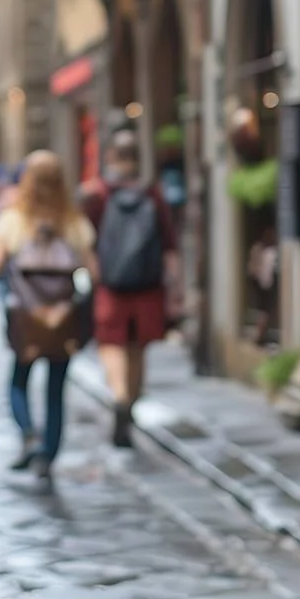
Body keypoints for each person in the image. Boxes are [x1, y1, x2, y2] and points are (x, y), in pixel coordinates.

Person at [0, 150, 99, 479]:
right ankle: (48, 455)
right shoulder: (73, 222)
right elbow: (94, 270)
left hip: (26, 318)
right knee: (56, 387)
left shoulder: (13, 220)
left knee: (19, 380)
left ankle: (28, 435)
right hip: (63, 319)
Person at [81, 129, 178, 447]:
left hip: (111, 287)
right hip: (148, 287)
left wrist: (96, 275)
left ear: (109, 156)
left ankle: (120, 397)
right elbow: (169, 246)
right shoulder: (153, 195)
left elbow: (85, 244)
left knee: (111, 345)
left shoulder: (97, 195)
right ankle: (130, 404)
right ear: (138, 158)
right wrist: (174, 287)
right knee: (137, 349)